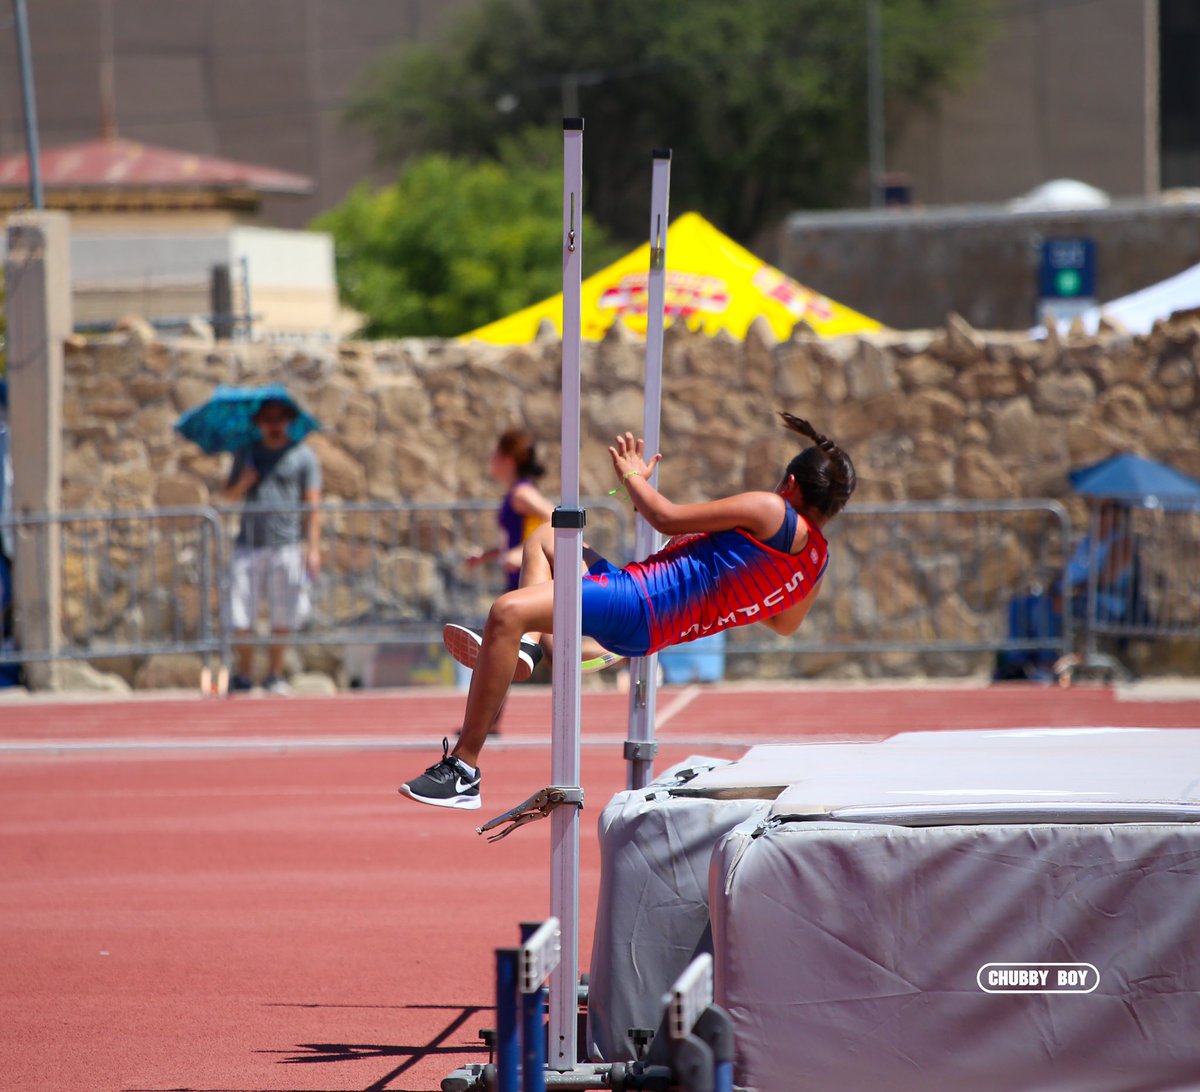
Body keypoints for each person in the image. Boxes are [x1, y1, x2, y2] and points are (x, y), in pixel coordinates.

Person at [399, 411, 855, 810]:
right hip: (649, 615)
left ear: (790, 485)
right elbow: (781, 622)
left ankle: (463, 769)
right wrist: (720, 570)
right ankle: (531, 649)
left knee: (505, 611)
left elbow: (666, 517)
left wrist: (632, 476)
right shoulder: (815, 562)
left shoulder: (771, 508)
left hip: (640, 602)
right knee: (546, 539)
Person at [222, 397, 323, 694]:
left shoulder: (303, 456)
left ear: (289, 420)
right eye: (268, 419)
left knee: (284, 612)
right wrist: (244, 482)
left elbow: (312, 505)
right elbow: (227, 497)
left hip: (287, 545)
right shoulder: (247, 453)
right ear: (258, 423)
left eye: (280, 418)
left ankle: (275, 674)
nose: (274, 424)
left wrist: (313, 548)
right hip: (248, 544)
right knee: (240, 612)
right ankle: (243, 674)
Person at [466, 429, 555, 591]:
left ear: (509, 460)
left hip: (530, 582)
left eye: (495, 455)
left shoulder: (521, 494)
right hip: (519, 582)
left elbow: (556, 517)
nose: (491, 460)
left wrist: (521, 552)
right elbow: (520, 538)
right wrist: (485, 555)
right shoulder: (515, 493)